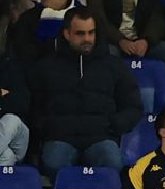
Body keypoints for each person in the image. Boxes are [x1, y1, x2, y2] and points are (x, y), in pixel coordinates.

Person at [29, 7, 142, 179]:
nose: (87, 39)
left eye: (91, 32)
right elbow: (33, 107)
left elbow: (133, 106)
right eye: (80, 34)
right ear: (67, 34)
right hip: (60, 137)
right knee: (54, 163)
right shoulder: (45, 67)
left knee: (112, 162)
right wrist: (48, 127)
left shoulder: (113, 66)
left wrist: (113, 125)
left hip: (100, 136)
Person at [87, 0, 165, 94]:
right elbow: (98, 18)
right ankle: (109, 100)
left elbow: (158, 17)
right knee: (108, 55)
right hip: (113, 41)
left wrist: (146, 40)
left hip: (142, 40)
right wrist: (120, 40)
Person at [0, 52, 29, 165]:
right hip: (5, 152)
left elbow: (22, 103)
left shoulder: (10, 65)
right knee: (7, 156)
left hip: (14, 137)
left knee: (11, 120)